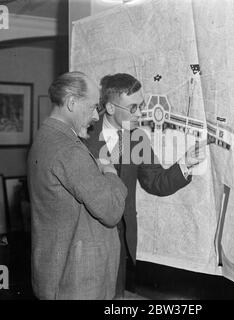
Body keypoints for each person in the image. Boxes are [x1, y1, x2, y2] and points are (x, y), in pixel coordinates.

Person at [84, 73, 206, 298]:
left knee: (117, 298)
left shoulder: (137, 138)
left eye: (141, 106)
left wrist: (185, 164)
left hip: (122, 240)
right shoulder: (83, 136)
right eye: (133, 108)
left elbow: (155, 181)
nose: (140, 114)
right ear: (110, 108)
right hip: (88, 241)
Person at [27, 71, 128, 300]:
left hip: (58, 274)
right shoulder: (69, 149)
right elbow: (112, 211)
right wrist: (110, 172)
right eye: (92, 107)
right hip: (78, 283)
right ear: (72, 103)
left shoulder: (46, 136)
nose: (95, 116)